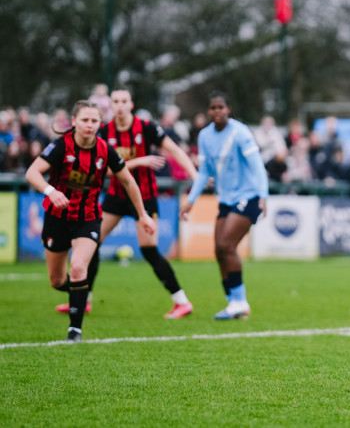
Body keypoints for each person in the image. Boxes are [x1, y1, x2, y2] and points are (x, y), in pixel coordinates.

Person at [53, 89, 199, 318]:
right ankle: (85, 300)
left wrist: (195, 176)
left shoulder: (146, 127)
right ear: (110, 105)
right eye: (115, 102)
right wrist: (139, 161)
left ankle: (181, 301)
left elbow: (174, 150)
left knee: (149, 250)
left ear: (131, 104)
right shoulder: (104, 131)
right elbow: (107, 170)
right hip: (116, 197)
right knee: (92, 243)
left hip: (145, 196)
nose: (120, 106)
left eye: (124, 101)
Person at [25, 100, 156, 342]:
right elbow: (32, 173)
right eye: (84, 120)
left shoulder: (106, 150)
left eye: (94, 121)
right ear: (74, 122)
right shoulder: (60, 146)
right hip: (57, 219)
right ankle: (80, 293)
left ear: (100, 123)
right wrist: (50, 191)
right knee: (56, 281)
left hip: (88, 218)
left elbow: (128, 181)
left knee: (78, 267)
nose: (89, 125)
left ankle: (75, 330)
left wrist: (143, 214)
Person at [180, 92, 269, 320]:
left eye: (221, 107)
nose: (217, 111)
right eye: (213, 108)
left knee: (226, 244)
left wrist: (263, 195)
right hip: (226, 199)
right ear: (209, 111)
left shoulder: (241, 133)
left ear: (228, 109)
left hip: (248, 197)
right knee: (219, 250)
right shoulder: (205, 136)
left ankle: (240, 302)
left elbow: (257, 165)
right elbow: (204, 172)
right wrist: (191, 200)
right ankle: (233, 302)